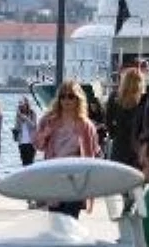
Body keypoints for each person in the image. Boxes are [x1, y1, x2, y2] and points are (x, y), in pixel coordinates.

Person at [34, 79, 102, 218]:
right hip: (54, 175)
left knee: (71, 219)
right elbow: (38, 146)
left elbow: (93, 154)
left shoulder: (85, 125)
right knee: (56, 219)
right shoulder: (48, 120)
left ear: (78, 99)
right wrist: (47, 131)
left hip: (75, 178)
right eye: (62, 96)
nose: (66, 100)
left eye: (71, 96)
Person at [105, 67, 147, 168]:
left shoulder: (114, 98)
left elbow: (108, 124)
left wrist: (114, 134)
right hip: (138, 149)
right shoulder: (144, 101)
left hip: (119, 147)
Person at [13, 97, 38, 167]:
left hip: (31, 142)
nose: (21, 107)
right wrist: (15, 130)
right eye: (20, 106)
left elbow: (34, 126)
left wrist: (26, 119)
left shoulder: (32, 113)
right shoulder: (18, 115)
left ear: (26, 104)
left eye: (23, 105)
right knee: (24, 163)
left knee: (30, 162)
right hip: (22, 142)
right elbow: (17, 127)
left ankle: (32, 177)